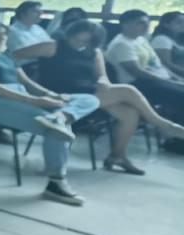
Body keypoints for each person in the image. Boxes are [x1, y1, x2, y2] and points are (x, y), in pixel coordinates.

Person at [0, 19, 100, 205]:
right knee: (55, 131)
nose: (3, 39)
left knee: (90, 99)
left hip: (19, 94)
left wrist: (52, 95)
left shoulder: (5, 54)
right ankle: (56, 182)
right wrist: (37, 101)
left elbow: (26, 82)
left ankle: (60, 116)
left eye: (4, 35)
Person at [39, 20, 184, 174]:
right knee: (128, 90)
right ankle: (164, 125)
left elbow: (102, 76)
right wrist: (31, 87)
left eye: (87, 42)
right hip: (61, 93)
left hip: (88, 92)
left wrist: (103, 82)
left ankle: (118, 156)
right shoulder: (53, 46)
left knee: (130, 114)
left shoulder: (94, 53)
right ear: (70, 35)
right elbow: (15, 56)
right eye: (77, 40)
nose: (80, 44)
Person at [105, 10, 184, 149]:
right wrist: (172, 83)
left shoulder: (141, 39)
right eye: (140, 23)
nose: (146, 27)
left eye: (147, 23)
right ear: (125, 24)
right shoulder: (121, 44)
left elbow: (159, 65)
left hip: (157, 81)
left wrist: (176, 79)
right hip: (138, 86)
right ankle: (177, 142)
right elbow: (138, 72)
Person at [6, 1, 57, 68]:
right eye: (35, 11)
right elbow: (18, 54)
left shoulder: (38, 28)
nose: (40, 14)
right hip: (25, 66)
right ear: (23, 14)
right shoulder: (12, 30)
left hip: (43, 63)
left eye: (40, 12)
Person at [151, 11, 184, 78]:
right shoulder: (161, 39)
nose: (183, 24)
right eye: (179, 22)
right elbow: (166, 64)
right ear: (166, 24)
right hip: (174, 77)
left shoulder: (178, 39)